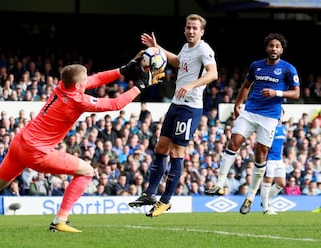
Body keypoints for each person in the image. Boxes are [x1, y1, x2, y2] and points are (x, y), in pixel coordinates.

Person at [0, 56, 152, 233]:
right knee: (87, 171)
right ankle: (60, 221)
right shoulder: (77, 100)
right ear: (78, 84)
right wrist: (141, 85)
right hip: (36, 152)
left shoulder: (62, 86)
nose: (88, 80)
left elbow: (96, 79)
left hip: (19, 143)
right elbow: (115, 104)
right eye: (84, 79)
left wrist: (124, 69)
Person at [128, 13, 218, 217]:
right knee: (161, 147)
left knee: (177, 152)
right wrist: (157, 47)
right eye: (188, 27)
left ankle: (165, 201)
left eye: (195, 28)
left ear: (202, 31)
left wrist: (191, 85)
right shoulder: (187, 48)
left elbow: (213, 74)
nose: (191, 30)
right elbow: (178, 62)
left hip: (190, 108)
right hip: (176, 105)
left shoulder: (204, 49)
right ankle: (149, 194)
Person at [204, 33, 300, 215]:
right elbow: (246, 86)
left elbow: (296, 93)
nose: (273, 49)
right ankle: (219, 183)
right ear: (266, 48)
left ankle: (250, 197)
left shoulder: (288, 69)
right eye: (271, 46)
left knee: (260, 156)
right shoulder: (256, 66)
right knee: (233, 142)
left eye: (277, 46)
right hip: (249, 112)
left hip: (270, 117)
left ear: (281, 49)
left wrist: (276, 94)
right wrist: (237, 104)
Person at [260, 111, 287, 215]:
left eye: (281, 113)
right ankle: (266, 208)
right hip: (270, 159)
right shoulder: (270, 127)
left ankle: (265, 201)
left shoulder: (283, 128)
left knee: (281, 183)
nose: (279, 115)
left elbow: (281, 145)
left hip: (279, 160)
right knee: (267, 182)